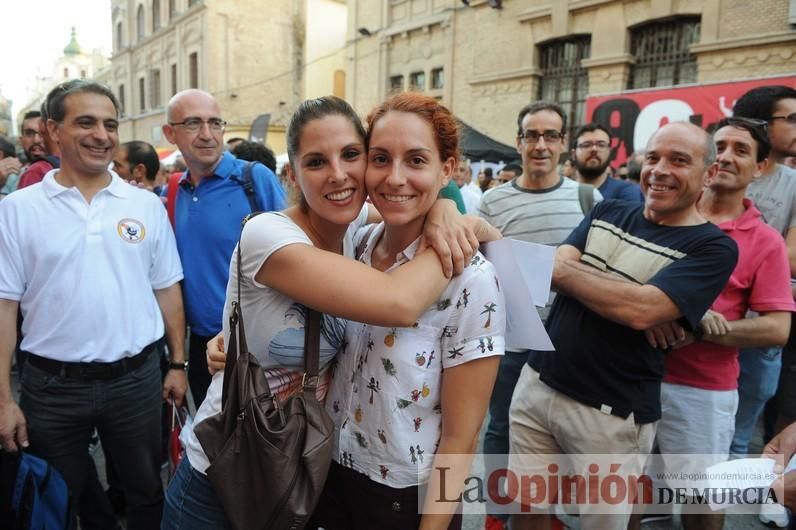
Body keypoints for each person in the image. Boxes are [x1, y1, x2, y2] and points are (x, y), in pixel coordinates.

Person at [163, 96, 492, 529]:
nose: (338, 174)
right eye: (316, 162)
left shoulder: (358, 233)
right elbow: (398, 302)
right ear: (291, 173)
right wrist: (453, 231)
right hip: (224, 478)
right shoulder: (268, 234)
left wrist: (446, 209)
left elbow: (449, 215)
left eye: (352, 155)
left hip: (307, 479)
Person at [508, 122, 738, 530]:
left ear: (708, 173)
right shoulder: (609, 209)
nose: (660, 169)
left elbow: (638, 311)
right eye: (653, 158)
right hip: (537, 384)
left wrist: (643, 302)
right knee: (527, 511)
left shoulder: (713, 247)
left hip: (611, 414)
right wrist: (645, 298)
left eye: (679, 160)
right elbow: (559, 269)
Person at [311, 93, 504, 530]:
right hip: (329, 474)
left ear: (447, 169)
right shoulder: (357, 242)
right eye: (380, 158)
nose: (395, 178)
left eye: (416, 160)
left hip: (404, 500)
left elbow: (461, 437)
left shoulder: (471, 279)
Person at [0, 79, 187, 529]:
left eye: (109, 124)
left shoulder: (144, 206)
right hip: (51, 386)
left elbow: (167, 289)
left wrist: (177, 364)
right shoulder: (18, 209)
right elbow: (5, 307)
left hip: (136, 382)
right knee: (56, 498)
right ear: (52, 130)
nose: (101, 134)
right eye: (85, 122)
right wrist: (3, 399)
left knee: (146, 491)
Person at [646, 117, 794, 530]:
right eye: (721, 147)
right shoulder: (663, 215)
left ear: (761, 168)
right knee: (630, 489)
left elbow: (777, 328)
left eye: (741, 150)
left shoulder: (765, 240)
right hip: (633, 376)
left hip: (701, 393)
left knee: (701, 497)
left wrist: (704, 326)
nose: (727, 157)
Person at [478, 101, 601, 530]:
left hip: (572, 342)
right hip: (512, 340)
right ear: (519, 142)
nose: (541, 144)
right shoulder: (491, 203)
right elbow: (479, 269)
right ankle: (497, 514)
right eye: (532, 135)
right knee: (502, 429)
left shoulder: (589, 198)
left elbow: (601, 268)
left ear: (564, 143)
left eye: (550, 135)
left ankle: (544, 514)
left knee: (562, 434)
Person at [162, 89, 287, 410]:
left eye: (215, 123)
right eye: (193, 124)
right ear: (170, 133)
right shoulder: (176, 188)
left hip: (254, 343)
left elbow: (298, 252)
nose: (207, 135)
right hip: (200, 345)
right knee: (212, 447)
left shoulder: (253, 178)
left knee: (262, 443)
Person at [730, 86, 796, 458]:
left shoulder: (794, 185)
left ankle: (715, 510)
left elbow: (793, 258)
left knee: (739, 438)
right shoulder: (716, 173)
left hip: (763, 330)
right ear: (760, 124)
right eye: (791, 119)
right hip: (706, 324)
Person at [570, 123, 643, 201]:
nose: (594, 149)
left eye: (601, 145)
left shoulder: (627, 192)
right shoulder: (561, 192)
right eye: (586, 145)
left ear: (609, 152)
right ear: (573, 154)